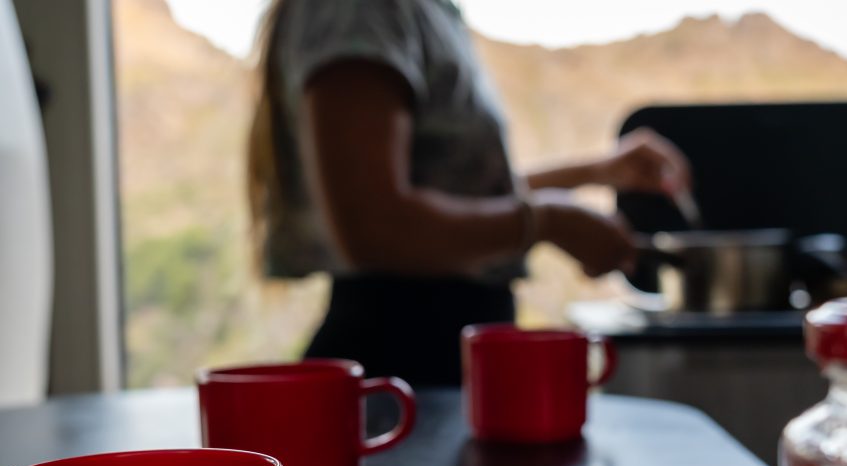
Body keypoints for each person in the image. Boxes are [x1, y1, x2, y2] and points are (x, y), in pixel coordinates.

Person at [247, 0, 691, 387]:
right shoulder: (362, 8)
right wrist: (548, 222)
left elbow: (454, 193)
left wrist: (596, 171)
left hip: (431, 352)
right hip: (404, 356)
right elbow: (376, 227)